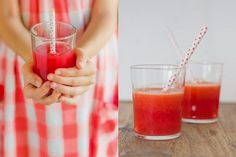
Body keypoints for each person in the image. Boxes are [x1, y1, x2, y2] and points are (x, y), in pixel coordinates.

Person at [0, 0, 118, 156]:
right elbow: (7, 16)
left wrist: (80, 60)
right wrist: (35, 61)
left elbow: (105, 14)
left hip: (89, 57)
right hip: (24, 54)